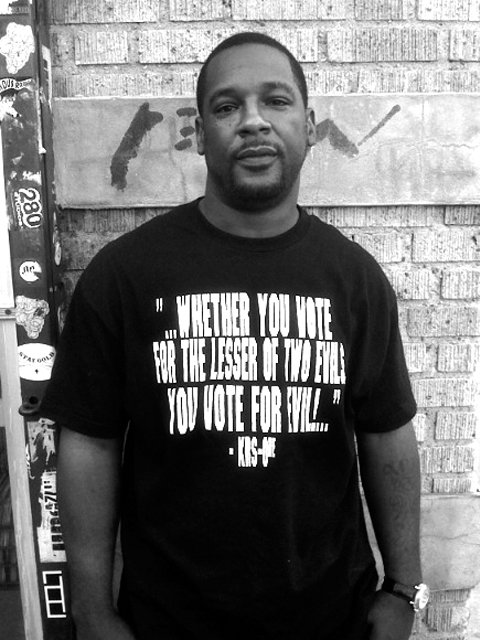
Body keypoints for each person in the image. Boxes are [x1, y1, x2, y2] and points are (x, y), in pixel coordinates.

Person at [41, 32, 428, 640]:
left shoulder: (354, 280)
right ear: (200, 133)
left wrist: (405, 587)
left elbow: (386, 433)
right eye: (227, 107)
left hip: (331, 618)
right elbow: (89, 442)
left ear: (309, 124)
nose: (253, 122)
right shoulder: (124, 275)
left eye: (276, 100)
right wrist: (91, 613)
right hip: (168, 622)